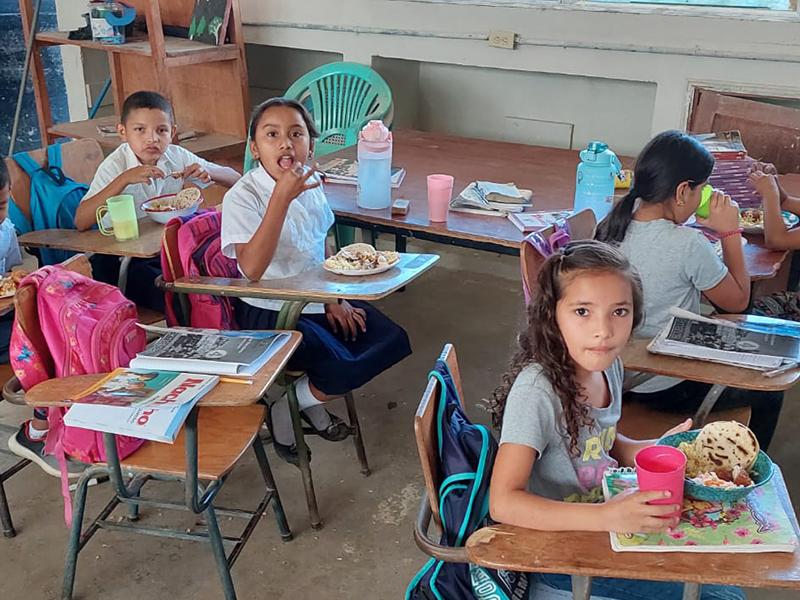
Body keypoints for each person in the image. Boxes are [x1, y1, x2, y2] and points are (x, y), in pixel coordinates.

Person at [488, 240, 743, 600]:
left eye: (619, 312)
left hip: (604, 521)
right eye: (582, 312)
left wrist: (655, 448)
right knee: (722, 598)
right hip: (556, 559)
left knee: (724, 578)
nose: (603, 331)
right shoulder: (537, 391)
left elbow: (604, 442)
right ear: (551, 315)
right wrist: (606, 518)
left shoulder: (609, 367)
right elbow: (503, 503)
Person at [220, 97, 411, 464]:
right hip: (270, 311)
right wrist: (280, 199)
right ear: (254, 149)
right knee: (345, 364)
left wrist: (333, 299)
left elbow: (322, 246)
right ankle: (285, 409)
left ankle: (302, 399)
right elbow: (252, 270)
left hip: (316, 297)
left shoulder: (310, 184)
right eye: (271, 134)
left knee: (390, 340)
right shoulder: (242, 196)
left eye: (297, 134)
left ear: (311, 143)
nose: (285, 143)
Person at [595, 130, 783, 451]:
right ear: (682, 191)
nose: (703, 196)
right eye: (702, 188)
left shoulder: (611, 224)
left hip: (614, 377)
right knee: (771, 390)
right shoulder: (687, 244)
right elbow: (737, 303)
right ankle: (751, 472)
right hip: (663, 384)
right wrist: (730, 232)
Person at [74, 90, 241, 312]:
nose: (152, 138)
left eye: (161, 130)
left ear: (172, 132)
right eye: (140, 130)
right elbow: (81, 221)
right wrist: (124, 180)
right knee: (180, 301)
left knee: (220, 280)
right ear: (122, 132)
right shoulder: (115, 166)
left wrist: (209, 172)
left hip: (168, 251)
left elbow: (237, 182)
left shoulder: (176, 156)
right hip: (123, 259)